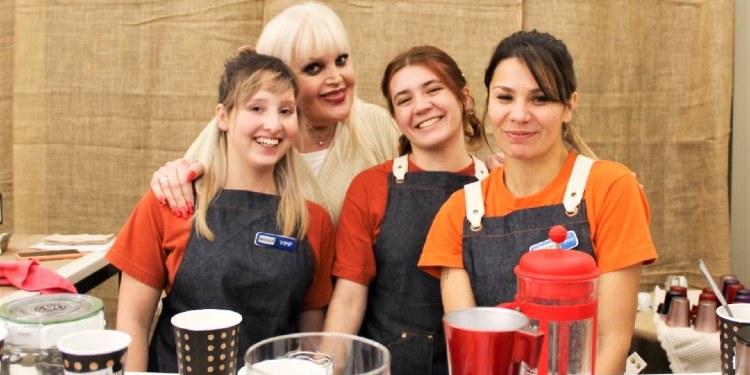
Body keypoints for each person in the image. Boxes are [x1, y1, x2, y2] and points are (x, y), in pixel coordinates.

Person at [418, 30, 658, 374]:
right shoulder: (459, 212)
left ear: (569, 107)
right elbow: (474, 354)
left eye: (540, 99)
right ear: (488, 102)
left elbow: (611, 343)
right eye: (504, 97)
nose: (519, 114)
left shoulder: (611, 188)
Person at [107, 47, 335, 373]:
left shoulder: (314, 223)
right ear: (223, 117)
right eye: (257, 108)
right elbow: (133, 322)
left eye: (286, 111)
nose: (273, 124)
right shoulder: (171, 204)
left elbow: (313, 340)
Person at [151, 1, 399, 223]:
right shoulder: (239, 130)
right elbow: (186, 187)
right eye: (313, 68)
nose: (337, 77)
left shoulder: (378, 125)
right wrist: (171, 179)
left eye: (342, 60)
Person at [323, 45, 487, 375]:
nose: (421, 106)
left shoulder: (500, 185)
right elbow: (348, 300)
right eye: (404, 99)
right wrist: (325, 368)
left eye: (433, 89)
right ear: (396, 119)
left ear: (464, 98)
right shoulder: (370, 186)